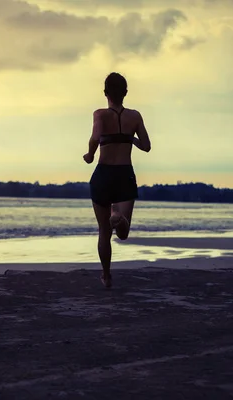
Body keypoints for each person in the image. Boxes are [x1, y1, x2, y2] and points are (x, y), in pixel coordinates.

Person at [83, 72, 152, 288]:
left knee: (104, 231)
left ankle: (106, 276)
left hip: (103, 174)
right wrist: (129, 138)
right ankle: (118, 217)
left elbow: (95, 136)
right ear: (126, 93)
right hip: (124, 174)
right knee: (123, 234)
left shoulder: (100, 114)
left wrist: (90, 154)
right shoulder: (135, 116)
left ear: (105, 93)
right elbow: (147, 146)